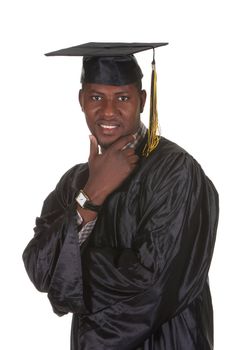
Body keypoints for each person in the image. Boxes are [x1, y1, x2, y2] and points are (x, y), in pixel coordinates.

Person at [23, 42, 219, 350]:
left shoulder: (176, 171)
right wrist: (92, 194)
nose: (109, 111)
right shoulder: (76, 181)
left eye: (123, 97)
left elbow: (154, 285)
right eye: (96, 97)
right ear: (81, 100)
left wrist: (71, 268)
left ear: (142, 100)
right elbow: (39, 266)